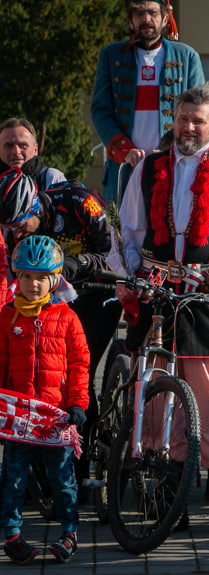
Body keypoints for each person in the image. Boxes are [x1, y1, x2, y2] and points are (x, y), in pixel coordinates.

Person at [110, 83, 209, 537]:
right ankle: (168, 503)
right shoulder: (150, 169)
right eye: (183, 118)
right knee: (157, 408)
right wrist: (128, 275)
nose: (188, 127)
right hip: (157, 298)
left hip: (207, 300)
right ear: (173, 121)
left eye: (198, 120)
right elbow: (130, 231)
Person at [0, 167, 119, 491]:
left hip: (97, 294)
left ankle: (77, 470)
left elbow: (115, 255)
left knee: (77, 370)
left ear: (35, 207)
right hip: (53, 299)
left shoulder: (79, 201)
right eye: (9, 228)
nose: (17, 233)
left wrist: (77, 265)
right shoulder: (16, 231)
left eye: (20, 224)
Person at [0, 236, 89, 565]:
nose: (33, 284)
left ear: (54, 280)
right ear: (16, 277)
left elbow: (80, 363)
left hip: (56, 415)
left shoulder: (67, 317)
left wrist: (78, 403)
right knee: (13, 476)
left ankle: (69, 532)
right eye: (25, 276)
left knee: (63, 479)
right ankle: (11, 535)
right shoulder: (7, 317)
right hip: (18, 415)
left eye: (41, 278)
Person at [91, 0, 205, 204]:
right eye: (139, 13)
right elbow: (101, 111)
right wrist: (125, 150)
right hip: (123, 169)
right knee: (121, 234)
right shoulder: (110, 55)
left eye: (152, 13)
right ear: (130, 20)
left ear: (165, 19)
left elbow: (199, 115)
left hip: (172, 167)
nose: (146, 19)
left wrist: (170, 149)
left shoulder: (187, 57)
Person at [0, 118, 65, 190]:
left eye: (23, 146)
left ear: (35, 149)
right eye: (9, 146)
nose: (16, 151)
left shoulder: (51, 179)